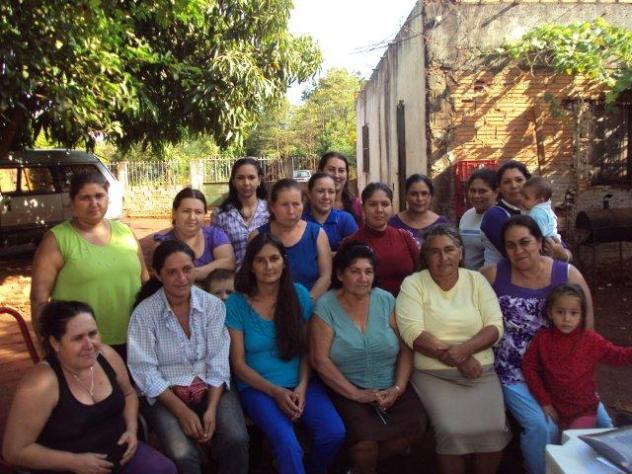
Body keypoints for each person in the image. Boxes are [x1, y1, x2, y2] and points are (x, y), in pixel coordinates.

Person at [480, 215, 610, 474]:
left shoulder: (567, 274)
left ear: (539, 242)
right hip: (513, 371)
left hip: (558, 368)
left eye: (525, 242)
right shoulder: (493, 275)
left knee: (603, 423)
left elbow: (587, 332)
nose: (519, 251)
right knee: (542, 426)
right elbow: (463, 295)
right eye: (510, 245)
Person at [2, 300, 176, 474]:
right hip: (68, 468)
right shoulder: (41, 383)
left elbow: (129, 394)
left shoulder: (107, 356)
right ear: (55, 343)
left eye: (92, 334)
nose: (89, 345)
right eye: (78, 338)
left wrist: (131, 429)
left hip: (121, 456)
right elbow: (14, 451)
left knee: (165, 469)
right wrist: (74, 462)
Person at [225, 233, 345, 474]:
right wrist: (276, 392)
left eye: (274, 258)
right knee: (288, 444)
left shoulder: (299, 294)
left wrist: (301, 386)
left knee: (334, 433)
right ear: (251, 266)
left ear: (284, 262)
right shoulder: (236, 304)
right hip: (258, 387)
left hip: (300, 382)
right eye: (260, 260)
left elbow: (307, 349)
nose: (268, 266)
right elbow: (238, 364)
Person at [396, 225, 511, 474]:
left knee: (494, 429)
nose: (443, 257)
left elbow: (495, 326)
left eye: (449, 250)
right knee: (451, 431)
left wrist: (465, 351)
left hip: (480, 371)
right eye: (435, 251)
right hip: (434, 374)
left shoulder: (476, 280)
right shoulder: (413, 284)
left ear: (460, 252)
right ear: (425, 256)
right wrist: (460, 359)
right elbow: (413, 333)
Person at [127, 240, 249, 474]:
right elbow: (144, 371)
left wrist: (211, 409)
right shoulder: (144, 314)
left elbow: (218, 360)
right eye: (172, 272)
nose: (182, 278)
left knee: (236, 439)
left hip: (211, 386)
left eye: (187, 269)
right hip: (166, 393)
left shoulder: (213, 306)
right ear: (158, 275)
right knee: (182, 454)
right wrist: (181, 411)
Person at [310, 242, 427, 474]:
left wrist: (398, 388)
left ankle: (354, 468)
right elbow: (319, 360)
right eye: (355, 271)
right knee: (365, 445)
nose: (363, 278)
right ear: (340, 274)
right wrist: (356, 394)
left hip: (390, 386)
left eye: (368, 272)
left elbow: (406, 348)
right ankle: (361, 464)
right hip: (346, 389)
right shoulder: (325, 306)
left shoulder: (386, 300)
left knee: (415, 428)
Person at [30, 171, 148, 358]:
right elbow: (39, 299)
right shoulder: (57, 240)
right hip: (82, 346)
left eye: (99, 196)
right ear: (72, 201)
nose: (94, 203)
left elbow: (145, 281)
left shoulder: (125, 233)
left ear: (108, 198)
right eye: (85, 198)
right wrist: (48, 350)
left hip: (135, 338)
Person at [522, 284, 632, 430]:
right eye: (560, 312)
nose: (566, 319)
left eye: (573, 313)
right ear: (550, 312)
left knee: (577, 440)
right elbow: (529, 367)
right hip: (554, 406)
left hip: (584, 409)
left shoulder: (592, 340)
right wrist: (544, 401)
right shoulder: (542, 339)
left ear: (582, 315)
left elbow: (618, 356)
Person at [251, 178, 331, 300]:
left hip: (309, 305)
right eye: (284, 205)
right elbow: (251, 277)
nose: (291, 211)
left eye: (296, 204)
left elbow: (325, 277)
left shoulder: (317, 234)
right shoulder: (257, 236)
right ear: (272, 207)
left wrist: (306, 302)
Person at [344, 182, 418, 296]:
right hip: (367, 305)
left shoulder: (405, 238)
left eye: (385, 204)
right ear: (363, 208)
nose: (379, 209)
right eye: (373, 204)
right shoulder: (351, 243)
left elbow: (421, 274)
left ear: (392, 207)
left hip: (407, 303)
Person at [154, 187, 235, 281]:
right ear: (174, 213)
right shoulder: (163, 243)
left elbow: (229, 262)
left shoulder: (214, 234)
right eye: (186, 211)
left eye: (198, 212)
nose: (192, 217)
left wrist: (194, 273)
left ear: (204, 215)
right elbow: (164, 275)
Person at [213, 157, 270, 270]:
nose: (246, 183)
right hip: (234, 278)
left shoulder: (270, 211)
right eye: (240, 178)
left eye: (251, 177)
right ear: (233, 181)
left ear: (259, 180)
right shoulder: (221, 214)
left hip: (266, 275)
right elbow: (217, 251)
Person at [479, 160, 529, 266]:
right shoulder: (495, 215)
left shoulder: (535, 210)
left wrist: (563, 253)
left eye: (519, 180)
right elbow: (518, 256)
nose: (514, 186)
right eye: (507, 182)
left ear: (528, 183)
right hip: (502, 275)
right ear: (499, 188)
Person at [388, 174, 450, 247]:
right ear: (406, 195)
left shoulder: (442, 224)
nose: (419, 199)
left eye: (424, 194)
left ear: (431, 196)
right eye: (414, 194)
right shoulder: (393, 224)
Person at [303, 172, 358, 252]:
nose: (326, 197)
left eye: (331, 192)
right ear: (309, 194)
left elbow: (356, 253)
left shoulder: (345, 220)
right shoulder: (301, 220)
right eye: (320, 191)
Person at [458, 168, 498, 270]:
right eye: (472, 191)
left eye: (482, 191)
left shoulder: (499, 218)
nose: (476, 195)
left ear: (496, 192)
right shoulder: (466, 215)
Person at [317, 151, 363, 224]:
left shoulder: (356, 206)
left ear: (347, 174)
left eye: (341, 171)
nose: (336, 175)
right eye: (331, 170)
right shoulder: (308, 205)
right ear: (320, 172)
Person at [520, 176, 561, 241]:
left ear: (541, 200)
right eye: (522, 196)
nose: (522, 200)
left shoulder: (536, 213)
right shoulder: (546, 209)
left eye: (526, 198)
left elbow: (538, 234)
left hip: (545, 242)